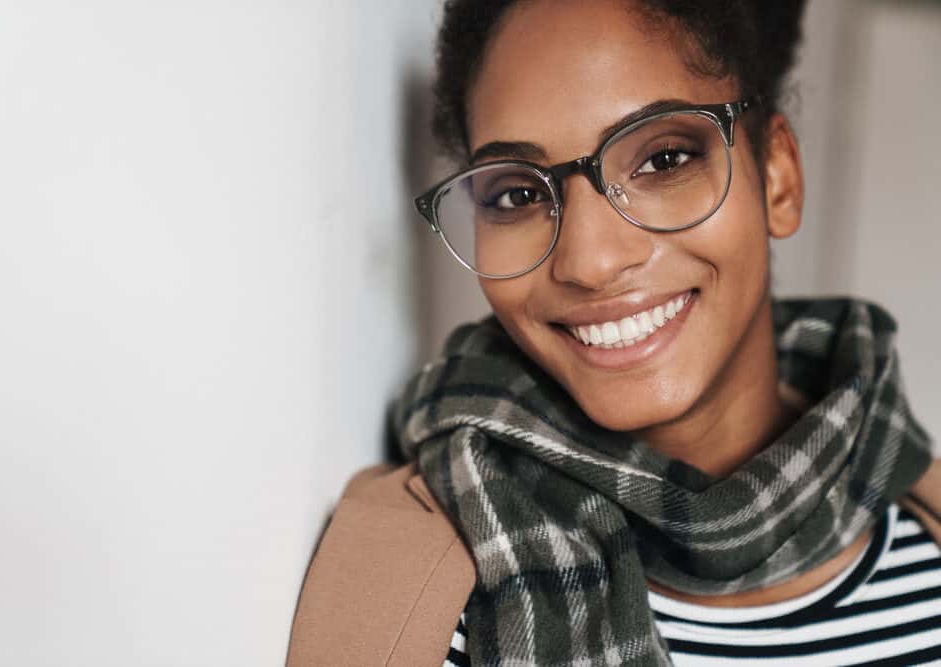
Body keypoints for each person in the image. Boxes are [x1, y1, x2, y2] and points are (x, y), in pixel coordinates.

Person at [289, 1, 941, 665]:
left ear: (776, 176)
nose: (590, 262)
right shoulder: (408, 600)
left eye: (663, 158)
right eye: (517, 194)